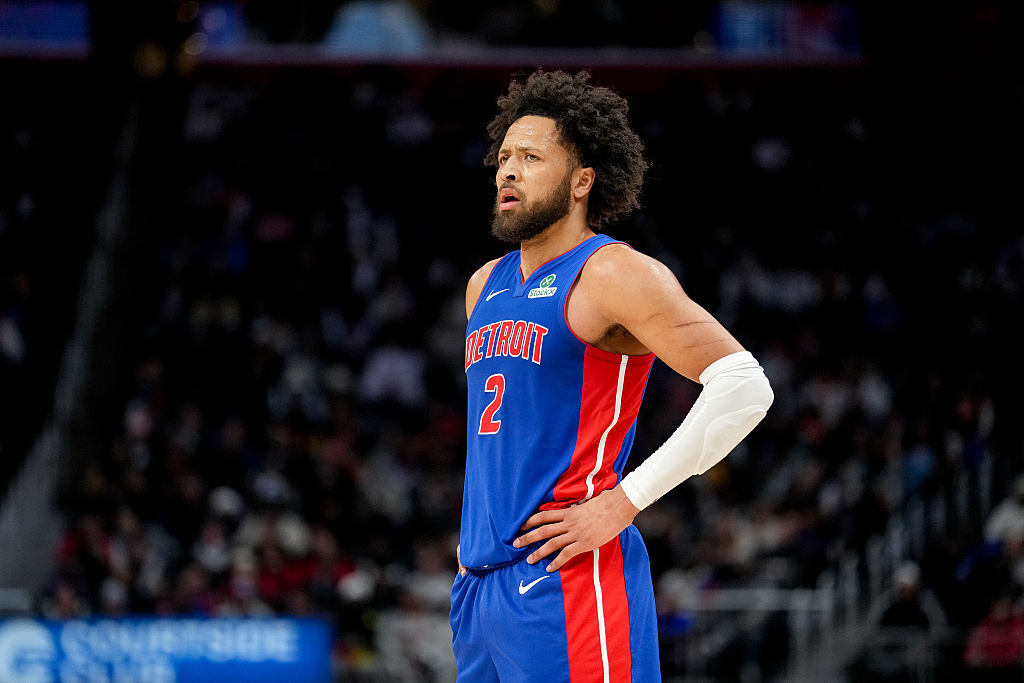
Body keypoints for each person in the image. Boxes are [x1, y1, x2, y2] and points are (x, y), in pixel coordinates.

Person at [450, 69, 774, 682]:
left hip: (568, 576)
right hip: (479, 589)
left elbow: (744, 386)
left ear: (582, 181)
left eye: (531, 157)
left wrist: (624, 502)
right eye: (505, 157)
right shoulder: (483, 285)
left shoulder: (612, 274)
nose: (508, 171)